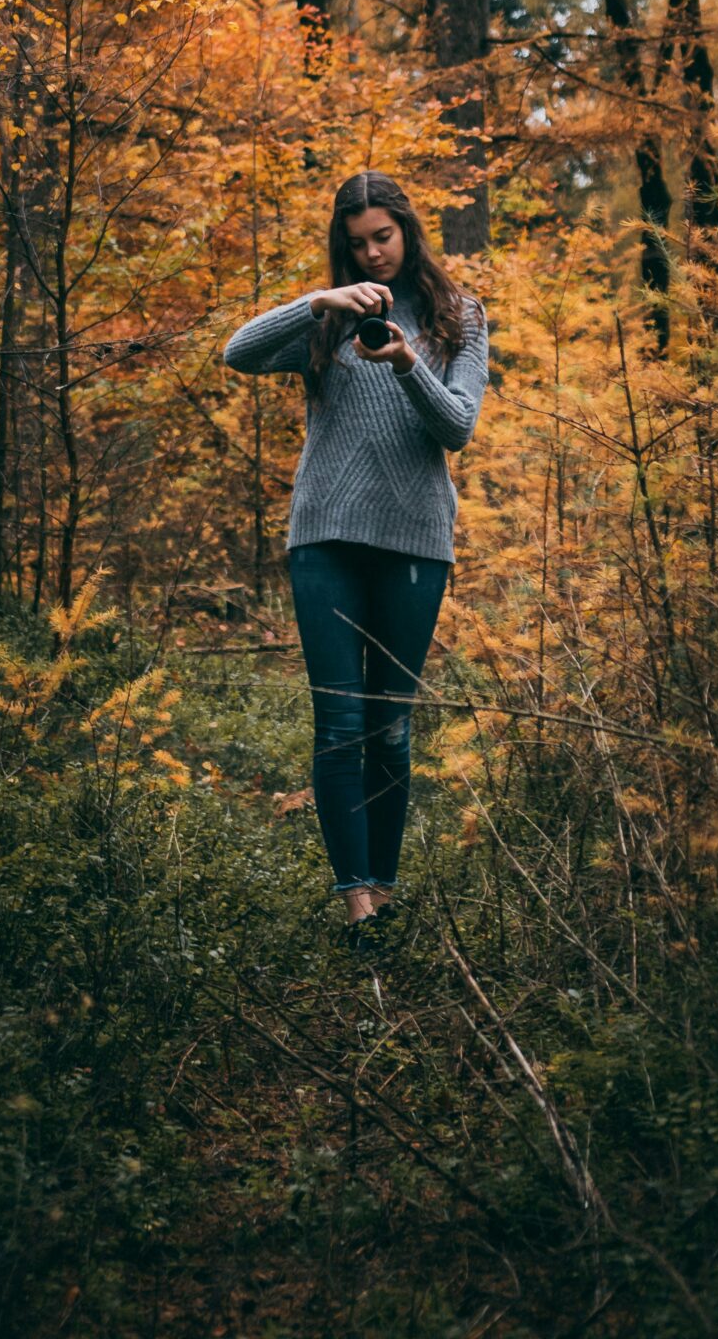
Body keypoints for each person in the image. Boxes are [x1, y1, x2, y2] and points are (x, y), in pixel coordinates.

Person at [223, 169, 489, 940]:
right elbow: (238, 353)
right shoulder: (326, 318)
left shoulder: (457, 317)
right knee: (339, 725)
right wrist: (319, 303)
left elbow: (458, 429)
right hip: (325, 542)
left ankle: (387, 883)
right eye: (357, 243)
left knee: (390, 728)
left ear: (408, 231)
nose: (373, 254)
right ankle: (359, 903)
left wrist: (407, 363)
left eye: (384, 237)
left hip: (414, 540)